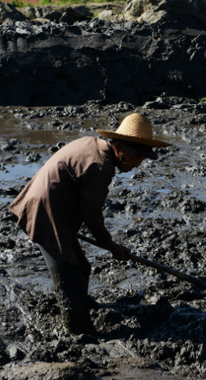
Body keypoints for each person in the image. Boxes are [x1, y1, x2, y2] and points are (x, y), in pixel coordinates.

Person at [9, 113, 171, 336]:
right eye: (135, 157)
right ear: (119, 147)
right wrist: (111, 246)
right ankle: (77, 328)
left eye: (141, 160)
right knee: (69, 271)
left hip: (54, 208)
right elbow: (91, 213)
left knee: (82, 267)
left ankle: (81, 305)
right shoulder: (100, 165)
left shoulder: (94, 146)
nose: (136, 164)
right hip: (45, 212)